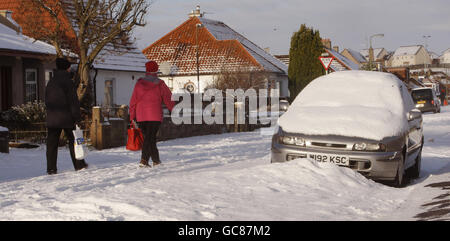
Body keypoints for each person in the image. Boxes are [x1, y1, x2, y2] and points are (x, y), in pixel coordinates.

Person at [45, 58, 88, 175]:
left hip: (53, 117)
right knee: (74, 141)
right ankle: (79, 164)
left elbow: (47, 100)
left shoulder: (51, 81)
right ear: (67, 68)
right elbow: (73, 102)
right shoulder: (68, 82)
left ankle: (51, 168)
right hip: (67, 117)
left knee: (52, 144)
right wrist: (77, 118)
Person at [129, 61, 175, 167]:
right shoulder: (160, 84)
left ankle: (155, 160)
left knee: (149, 138)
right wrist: (173, 109)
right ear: (156, 70)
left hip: (141, 116)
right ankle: (145, 160)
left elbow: (133, 101)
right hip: (155, 116)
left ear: (146, 70)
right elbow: (169, 98)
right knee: (150, 138)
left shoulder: (139, 84)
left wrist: (132, 116)